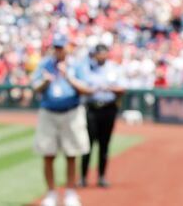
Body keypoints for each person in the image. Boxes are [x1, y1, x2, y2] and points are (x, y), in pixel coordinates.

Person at [31, 35, 93, 206]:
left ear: (68, 48)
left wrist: (68, 77)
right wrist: (45, 81)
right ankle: (51, 193)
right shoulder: (45, 64)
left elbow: (87, 89)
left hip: (71, 112)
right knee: (48, 154)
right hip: (49, 112)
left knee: (72, 154)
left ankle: (70, 193)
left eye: (61, 47)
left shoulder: (76, 64)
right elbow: (35, 86)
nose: (59, 50)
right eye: (56, 47)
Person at [79, 44, 125, 188]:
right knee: (87, 144)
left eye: (104, 53)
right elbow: (82, 87)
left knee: (104, 145)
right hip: (92, 108)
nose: (101, 56)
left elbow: (122, 88)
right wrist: (93, 89)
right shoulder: (87, 68)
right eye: (99, 53)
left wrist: (109, 88)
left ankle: (101, 176)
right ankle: (83, 177)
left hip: (108, 108)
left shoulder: (114, 68)